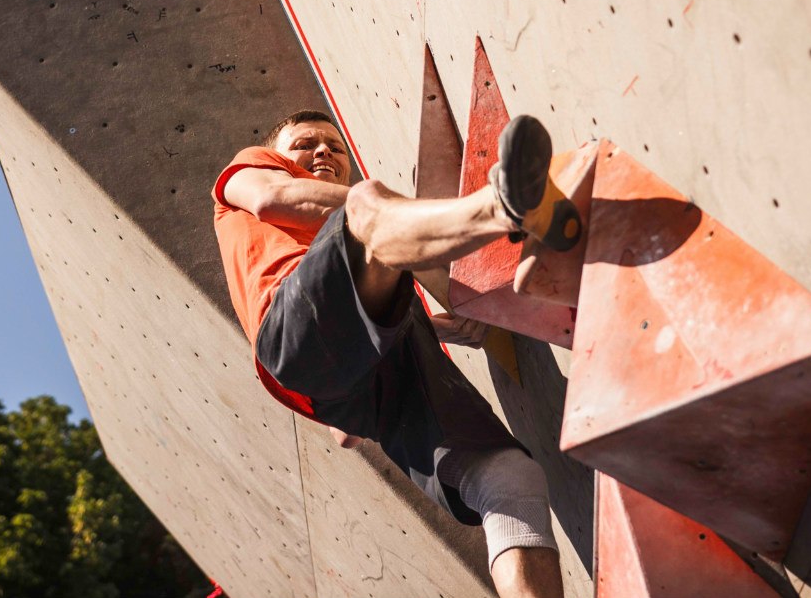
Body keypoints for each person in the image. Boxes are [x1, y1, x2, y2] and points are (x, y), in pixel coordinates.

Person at [212, 109, 567, 597]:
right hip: (294, 331)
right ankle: (506, 207)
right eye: (305, 144)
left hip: (366, 385)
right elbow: (276, 198)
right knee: (365, 212)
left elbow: (346, 433)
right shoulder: (249, 175)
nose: (323, 152)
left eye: (335, 147)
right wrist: (394, 208)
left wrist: (445, 328)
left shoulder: (369, 262)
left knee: (512, 481)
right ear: (275, 154)